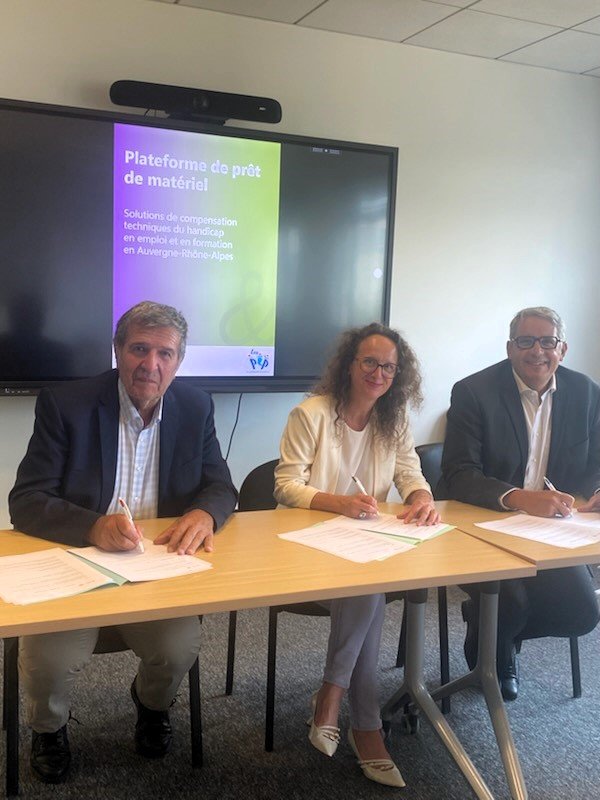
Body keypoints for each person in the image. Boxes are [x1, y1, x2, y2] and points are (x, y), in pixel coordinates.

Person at [9, 300, 237, 783]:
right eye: (139, 349)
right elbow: (26, 500)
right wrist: (94, 527)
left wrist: (204, 512)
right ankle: (49, 728)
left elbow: (221, 486)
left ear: (179, 361)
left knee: (180, 646)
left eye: (165, 353)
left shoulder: (196, 407)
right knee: (49, 660)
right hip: (76, 568)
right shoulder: (66, 405)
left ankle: (152, 705)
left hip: (154, 572)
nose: (150, 364)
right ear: (117, 350)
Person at [274, 322, 439, 788]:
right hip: (305, 549)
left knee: (366, 587)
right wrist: (339, 503)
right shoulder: (311, 413)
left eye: (388, 366)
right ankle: (359, 723)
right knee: (368, 589)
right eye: (369, 362)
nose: (378, 373)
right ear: (349, 364)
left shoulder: (394, 419)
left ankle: (339, 700)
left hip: (364, 546)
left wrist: (421, 497)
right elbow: (285, 486)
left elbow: (409, 471)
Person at [440, 306, 600, 701]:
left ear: (562, 349)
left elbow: (596, 462)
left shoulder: (585, 392)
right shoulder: (473, 392)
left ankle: (492, 628)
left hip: (551, 530)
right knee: (510, 598)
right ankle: (496, 654)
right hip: (481, 525)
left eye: (547, 341)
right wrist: (519, 498)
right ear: (510, 347)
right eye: (526, 341)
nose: (537, 351)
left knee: (582, 612)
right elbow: (458, 474)